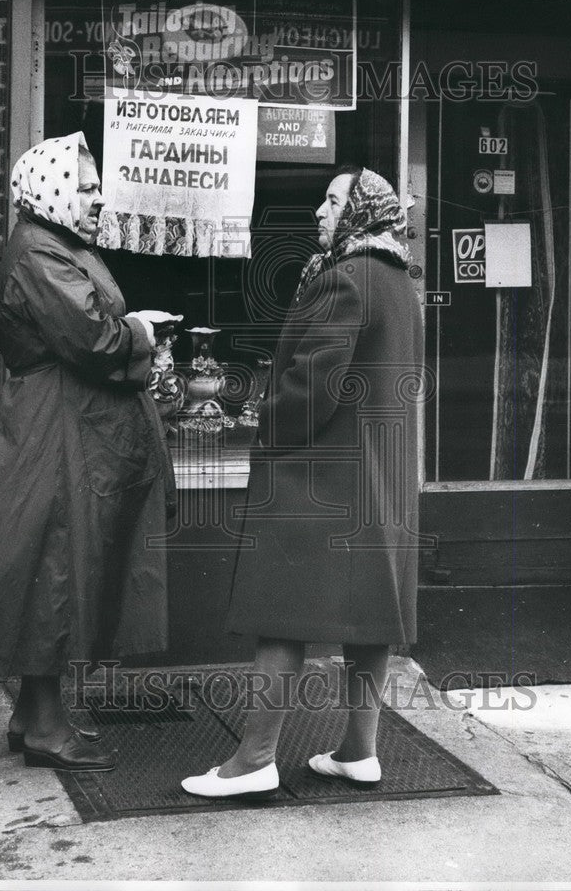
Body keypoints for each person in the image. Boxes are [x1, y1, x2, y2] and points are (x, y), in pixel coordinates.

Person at [0, 132, 179, 772]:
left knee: (59, 564)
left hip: (64, 430)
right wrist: (141, 330)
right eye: (87, 188)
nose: (98, 199)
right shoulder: (40, 250)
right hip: (53, 435)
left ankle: (34, 714)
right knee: (56, 567)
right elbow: (91, 339)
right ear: (55, 190)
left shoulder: (52, 244)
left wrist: (129, 329)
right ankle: (43, 726)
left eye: (96, 188)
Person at [182, 167, 423, 798]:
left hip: (321, 470)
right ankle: (359, 751)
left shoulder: (345, 277)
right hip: (378, 472)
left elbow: (315, 382)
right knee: (373, 615)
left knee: (279, 611)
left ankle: (255, 759)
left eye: (333, 199)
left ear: (359, 211)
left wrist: (267, 426)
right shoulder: (399, 279)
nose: (320, 210)